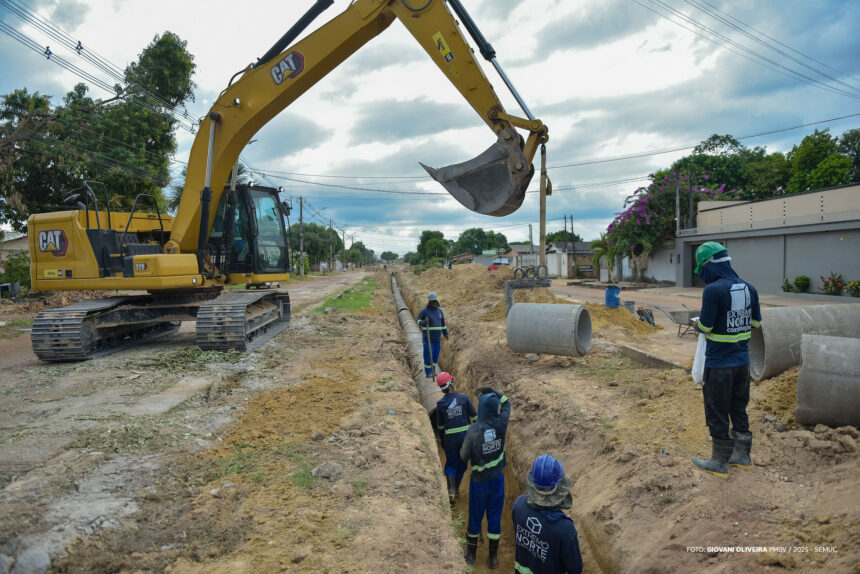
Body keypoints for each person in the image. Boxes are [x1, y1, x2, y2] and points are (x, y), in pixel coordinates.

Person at [691, 241, 762, 478]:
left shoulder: (713, 290)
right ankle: (742, 456)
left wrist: (696, 324)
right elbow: (756, 324)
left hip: (719, 364)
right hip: (742, 363)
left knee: (717, 410)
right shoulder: (749, 288)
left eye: (702, 271)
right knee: (738, 407)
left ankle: (719, 462)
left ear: (709, 266)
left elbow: (706, 326)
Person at [459, 386, 511, 569]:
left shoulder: (473, 430)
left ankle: (471, 555)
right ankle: (493, 557)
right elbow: (507, 404)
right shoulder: (501, 423)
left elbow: (463, 456)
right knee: (494, 519)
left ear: (480, 408)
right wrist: (495, 391)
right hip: (497, 481)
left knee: (475, 518)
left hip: (479, 483)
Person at [512, 454, 583, 574]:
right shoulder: (565, 529)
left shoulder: (518, 505)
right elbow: (575, 569)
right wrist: (564, 526)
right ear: (560, 488)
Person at [434, 372, 477, 505]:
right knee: (462, 464)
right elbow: (475, 418)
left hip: (450, 439)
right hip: (466, 438)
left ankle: (451, 490)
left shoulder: (440, 404)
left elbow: (440, 426)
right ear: (451, 383)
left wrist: (442, 440)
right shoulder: (464, 398)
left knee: (451, 463)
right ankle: (456, 490)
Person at [417, 292, 448, 378]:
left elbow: (443, 324)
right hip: (428, 339)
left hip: (437, 339)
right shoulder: (424, 311)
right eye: (433, 301)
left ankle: (433, 370)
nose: (435, 303)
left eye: (435, 301)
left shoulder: (439, 311)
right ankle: (428, 372)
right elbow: (418, 321)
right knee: (428, 356)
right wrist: (424, 322)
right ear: (430, 302)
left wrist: (445, 333)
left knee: (435, 357)